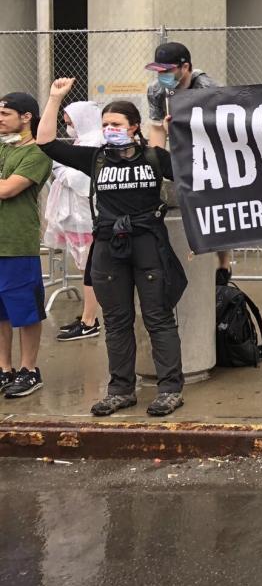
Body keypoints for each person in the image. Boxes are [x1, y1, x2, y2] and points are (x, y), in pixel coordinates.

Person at [37, 80, 189, 418]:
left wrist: (172, 133)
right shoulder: (95, 159)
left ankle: (169, 389)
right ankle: (120, 389)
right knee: (117, 321)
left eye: (116, 124)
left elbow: (192, 171)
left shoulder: (153, 157)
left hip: (148, 244)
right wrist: (54, 97)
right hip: (108, 246)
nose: (109, 130)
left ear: (133, 127)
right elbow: (46, 142)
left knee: (157, 317)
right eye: (105, 125)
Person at [144, 41, 233, 286]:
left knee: (216, 209)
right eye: (158, 71)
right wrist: (155, 163)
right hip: (181, 151)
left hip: (213, 149)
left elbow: (223, 127)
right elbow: (155, 128)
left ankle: (223, 264)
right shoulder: (156, 90)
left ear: (185, 67)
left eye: (168, 71)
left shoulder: (207, 88)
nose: (162, 76)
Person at [0, 92, 53, 400]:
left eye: (5, 114)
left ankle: (29, 369)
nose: (0, 119)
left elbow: (8, 189)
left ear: (26, 117)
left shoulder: (37, 153)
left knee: (25, 310)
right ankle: (4, 368)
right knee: (1, 312)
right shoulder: (3, 147)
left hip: (18, 244)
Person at [44, 100, 104, 342]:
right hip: (75, 217)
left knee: (91, 268)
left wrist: (61, 169)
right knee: (84, 268)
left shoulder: (96, 141)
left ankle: (90, 320)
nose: (68, 128)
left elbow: (83, 181)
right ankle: (87, 317)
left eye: (71, 123)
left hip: (87, 216)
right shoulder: (83, 140)